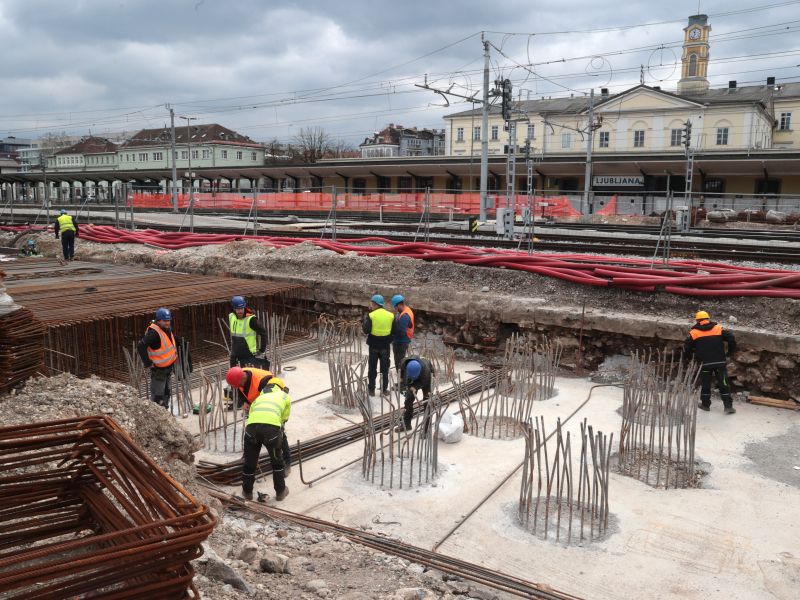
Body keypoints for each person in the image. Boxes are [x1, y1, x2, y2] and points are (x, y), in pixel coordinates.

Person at [226, 366, 292, 475]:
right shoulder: (240, 377)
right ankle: (249, 456)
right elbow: (239, 389)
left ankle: (286, 461)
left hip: (273, 402)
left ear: (243, 378)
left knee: (277, 431)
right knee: (253, 428)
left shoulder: (263, 381)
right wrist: (245, 401)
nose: (238, 387)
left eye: (239, 384)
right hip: (258, 401)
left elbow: (271, 399)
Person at [241, 377, 291, 502]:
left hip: (251, 430)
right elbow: (285, 417)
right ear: (280, 387)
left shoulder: (258, 398)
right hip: (271, 432)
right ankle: (280, 492)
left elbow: (251, 415)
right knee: (277, 462)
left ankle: (247, 492)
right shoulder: (284, 396)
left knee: (249, 462)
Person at [684, 310, 737, 414]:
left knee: (705, 384)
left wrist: (688, 359)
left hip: (705, 364)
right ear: (708, 319)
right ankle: (728, 406)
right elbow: (731, 338)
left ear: (697, 320)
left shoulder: (694, 333)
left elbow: (687, 348)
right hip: (720, 363)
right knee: (724, 383)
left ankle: (705, 405)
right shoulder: (718, 329)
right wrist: (730, 352)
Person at [137, 308, 191, 409]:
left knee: (166, 391)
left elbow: (166, 339)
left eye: (169, 320)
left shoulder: (165, 328)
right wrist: (148, 363)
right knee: (158, 395)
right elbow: (141, 346)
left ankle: (165, 410)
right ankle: (158, 413)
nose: (167, 323)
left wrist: (176, 339)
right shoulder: (153, 333)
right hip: (159, 370)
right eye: (165, 321)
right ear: (158, 320)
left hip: (168, 367)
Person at [362, 294, 393, 396]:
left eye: (372, 303)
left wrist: (364, 322)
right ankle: (384, 390)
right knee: (384, 368)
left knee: (372, 368)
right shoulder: (390, 315)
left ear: (375, 304)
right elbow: (394, 330)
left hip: (374, 345)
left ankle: (371, 390)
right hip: (385, 346)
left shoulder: (371, 315)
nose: (371, 305)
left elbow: (366, 330)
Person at [229, 295, 269, 370]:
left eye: (241, 308)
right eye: (237, 309)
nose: (240, 311)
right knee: (234, 376)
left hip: (248, 354)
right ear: (234, 308)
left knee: (247, 377)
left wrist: (262, 350)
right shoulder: (231, 316)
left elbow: (263, 333)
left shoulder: (251, 319)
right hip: (235, 352)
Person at [396, 356, 435, 432]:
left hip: (427, 380)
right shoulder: (404, 362)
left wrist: (415, 387)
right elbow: (400, 370)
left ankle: (426, 429)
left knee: (427, 403)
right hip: (412, 378)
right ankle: (407, 425)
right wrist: (401, 379)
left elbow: (423, 382)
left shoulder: (426, 372)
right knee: (408, 401)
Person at [390, 294, 414, 389]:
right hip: (402, 340)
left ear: (399, 305)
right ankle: (403, 381)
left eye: (395, 307)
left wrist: (391, 333)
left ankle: (403, 384)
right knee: (400, 362)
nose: (395, 309)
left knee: (400, 363)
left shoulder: (405, 316)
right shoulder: (405, 311)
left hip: (401, 341)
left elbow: (401, 331)